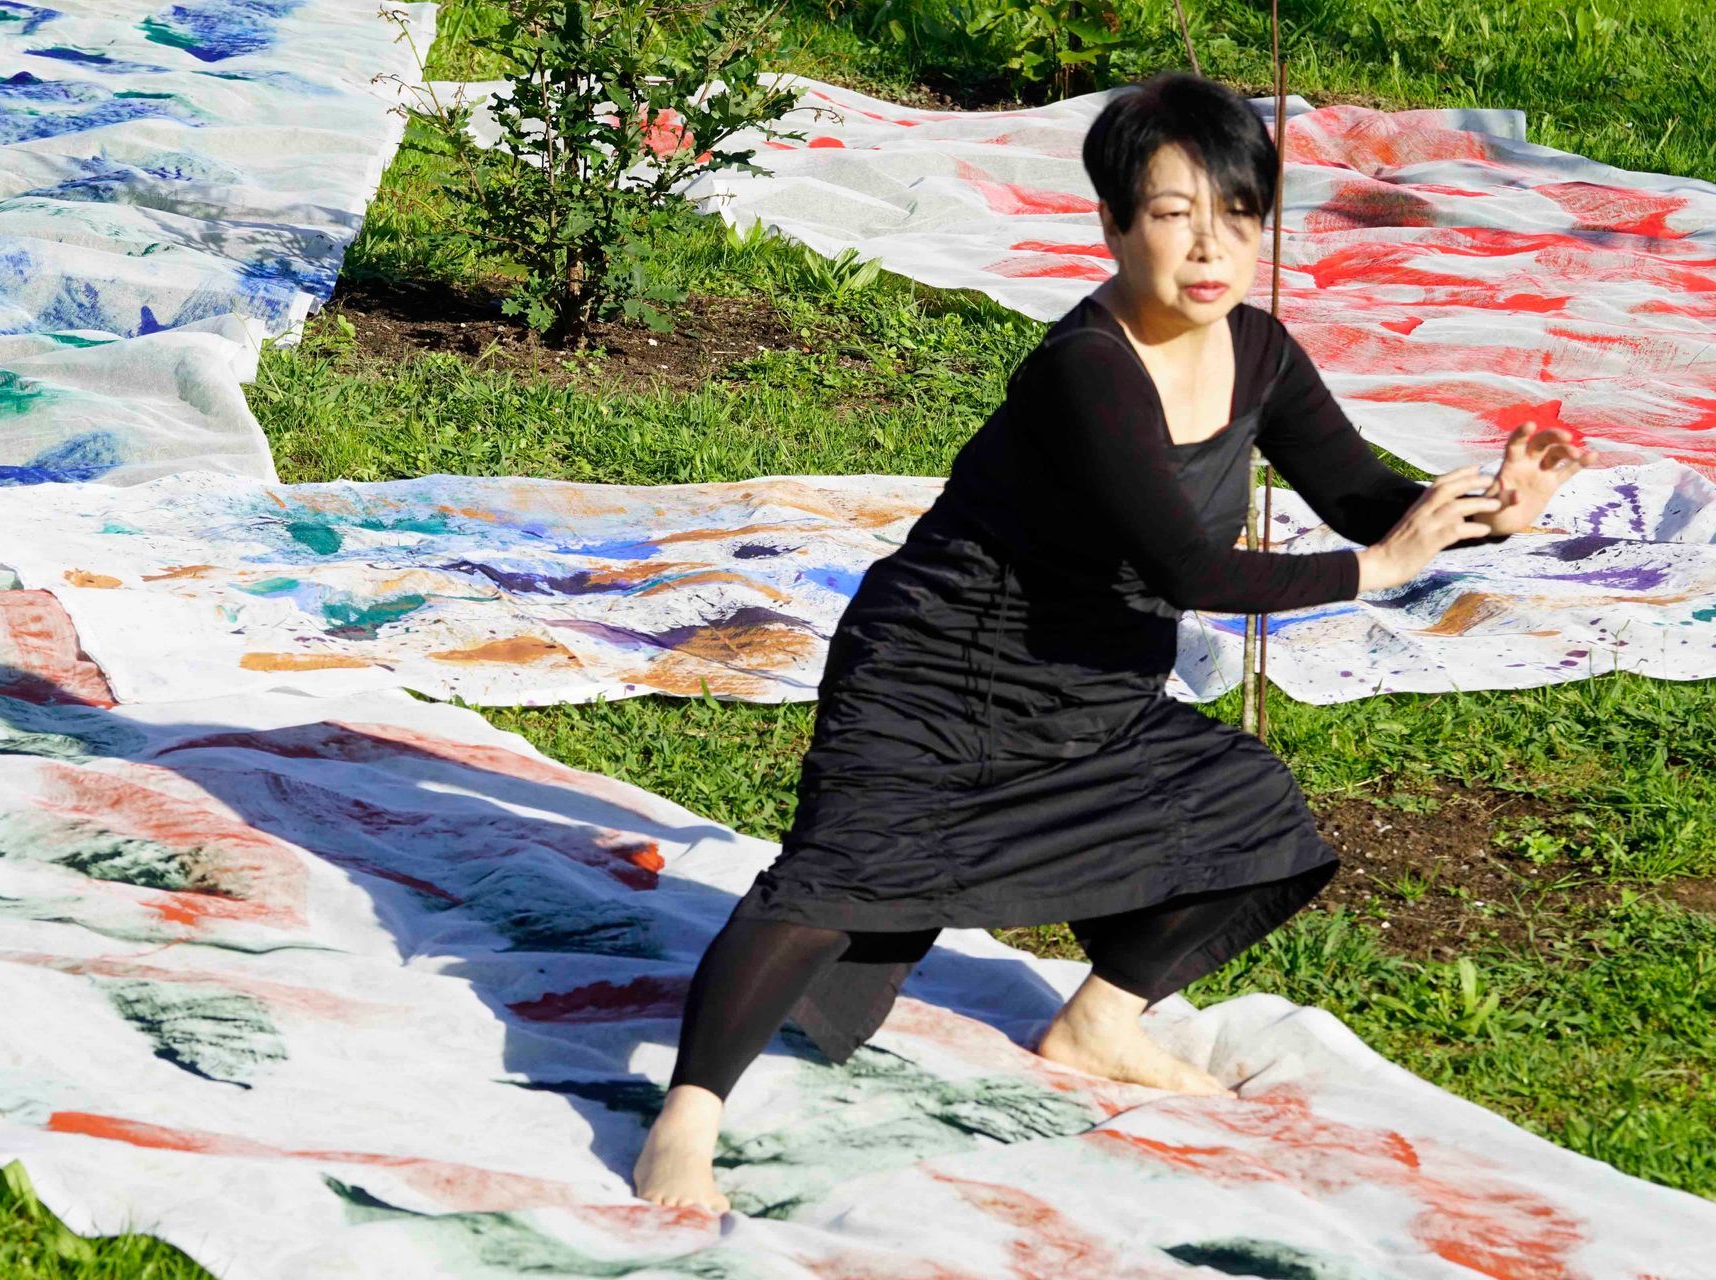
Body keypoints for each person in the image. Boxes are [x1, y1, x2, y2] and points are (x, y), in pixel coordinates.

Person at [632, 72, 1594, 1213]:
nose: (1210, 245)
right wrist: (1379, 571)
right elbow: (1191, 569)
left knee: (1251, 812)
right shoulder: (1086, 369)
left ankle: (1100, 1022)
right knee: (834, 886)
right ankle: (685, 1119)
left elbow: (1362, 500)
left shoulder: (1259, 351)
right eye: (1174, 213)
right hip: (934, 671)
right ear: (1114, 224)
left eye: (1237, 213)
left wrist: (1490, 514)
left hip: (1089, 687)